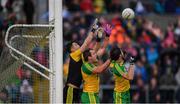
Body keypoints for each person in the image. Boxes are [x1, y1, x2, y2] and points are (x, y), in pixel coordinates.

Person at [63, 19, 99, 103]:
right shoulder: (73, 55)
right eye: (75, 45)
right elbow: (86, 43)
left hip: (77, 89)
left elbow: (93, 50)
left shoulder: (81, 56)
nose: (78, 45)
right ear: (71, 50)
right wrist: (93, 30)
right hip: (70, 89)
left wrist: (99, 39)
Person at [81, 24, 112, 103]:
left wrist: (107, 36)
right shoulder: (86, 66)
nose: (96, 54)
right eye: (94, 54)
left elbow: (103, 48)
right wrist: (111, 59)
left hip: (94, 94)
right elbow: (100, 70)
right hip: (89, 95)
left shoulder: (92, 61)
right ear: (89, 58)